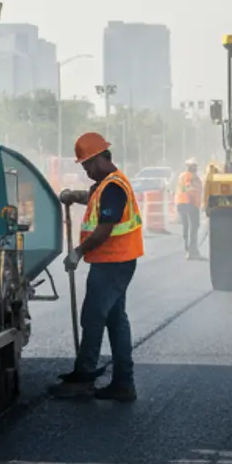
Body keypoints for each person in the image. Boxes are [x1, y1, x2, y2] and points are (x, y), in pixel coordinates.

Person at [52, 132, 144, 401]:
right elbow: (92, 197)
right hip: (116, 262)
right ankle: (123, 384)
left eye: (87, 166)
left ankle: (83, 377)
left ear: (99, 159)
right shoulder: (107, 184)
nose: (86, 171)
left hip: (112, 263)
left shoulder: (114, 187)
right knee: (116, 321)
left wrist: (77, 253)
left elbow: (103, 231)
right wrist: (72, 195)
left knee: (92, 318)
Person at [174, 160, 204, 260]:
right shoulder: (191, 177)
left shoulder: (182, 176)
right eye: (194, 166)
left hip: (182, 203)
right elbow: (189, 188)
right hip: (190, 203)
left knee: (186, 227)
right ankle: (192, 251)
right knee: (194, 227)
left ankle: (188, 250)